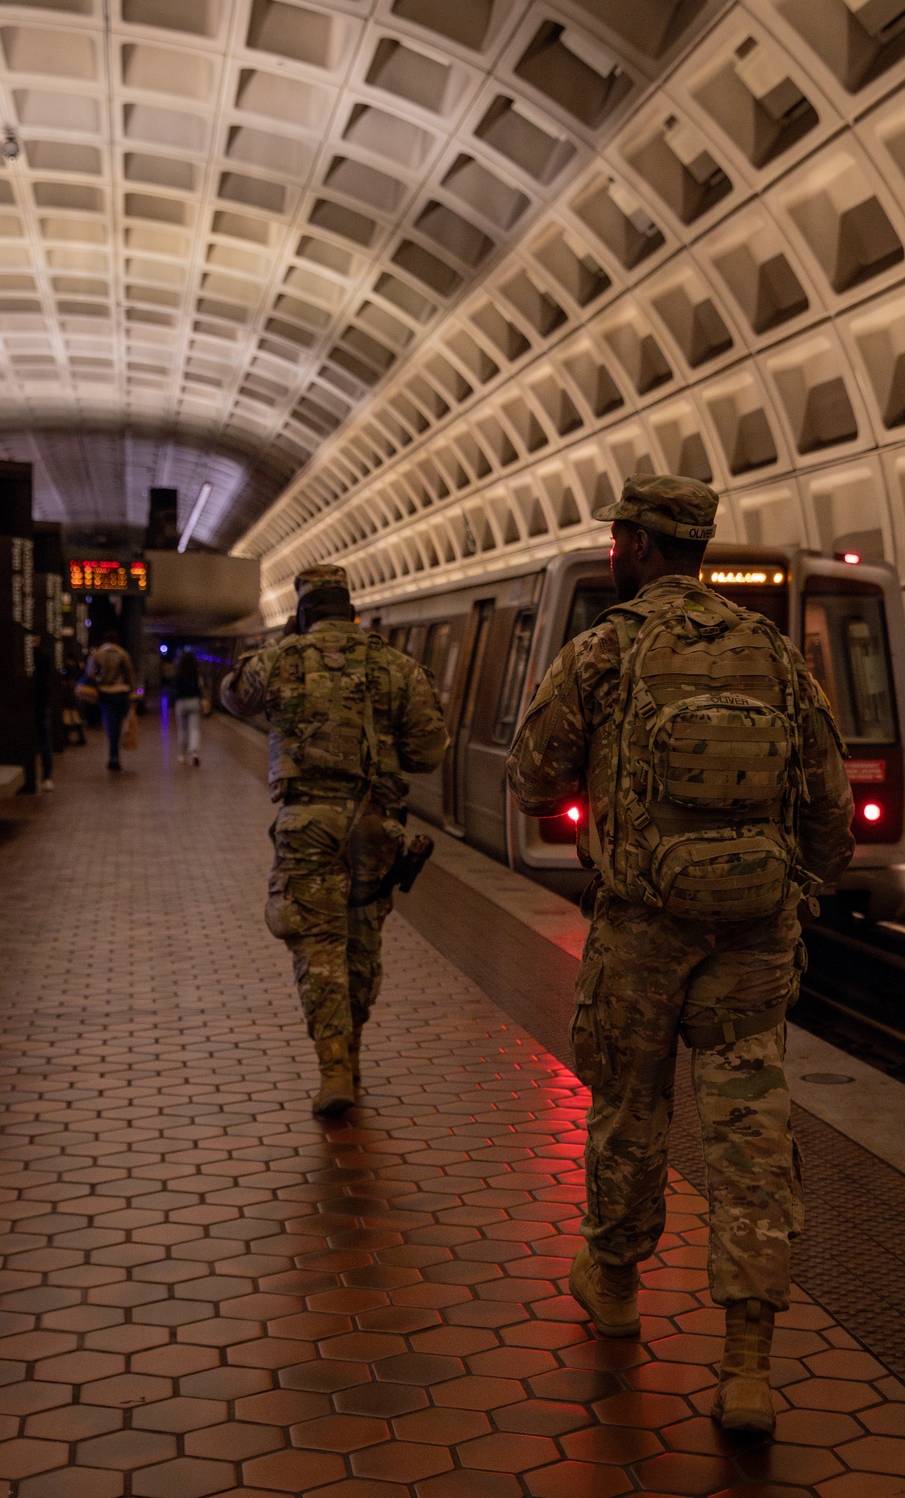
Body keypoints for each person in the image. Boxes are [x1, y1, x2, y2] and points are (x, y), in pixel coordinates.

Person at [506, 474, 855, 1435]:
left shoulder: (604, 649)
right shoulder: (775, 653)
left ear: (636, 545)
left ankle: (616, 1284)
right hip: (755, 931)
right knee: (750, 1128)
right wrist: (795, 887)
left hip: (642, 929)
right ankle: (747, 1366)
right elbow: (828, 808)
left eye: (618, 537)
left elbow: (530, 777)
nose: (614, 550)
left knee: (631, 1107)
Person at [221, 564, 447, 1116]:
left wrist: (284, 645)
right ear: (353, 610)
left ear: (301, 613)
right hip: (374, 828)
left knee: (318, 945)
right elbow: (428, 753)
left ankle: (334, 1070)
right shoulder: (397, 667)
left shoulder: (281, 659)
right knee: (362, 944)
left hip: (307, 827)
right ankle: (354, 1053)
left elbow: (231, 696)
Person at [82, 627, 136, 771]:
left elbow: (90, 674)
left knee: (111, 724)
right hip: (122, 693)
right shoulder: (123, 654)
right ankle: (116, 752)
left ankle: (113, 756)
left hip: (105, 693)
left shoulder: (98, 654)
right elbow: (130, 674)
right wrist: (132, 691)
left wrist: (99, 680)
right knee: (120, 723)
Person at [173, 648, 204, 766]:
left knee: (183, 730)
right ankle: (194, 752)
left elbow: (174, 690)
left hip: (181, 703)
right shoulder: (196, 673)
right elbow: (200, 688)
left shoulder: (178, 673)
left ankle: (182, 755)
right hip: (194, 702)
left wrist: (172, 703)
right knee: (194, 729)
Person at [32, 636, 55, 791]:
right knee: (45, 738)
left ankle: (46, 776)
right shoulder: (43, 657)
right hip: (41, 701)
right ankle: (46, 776)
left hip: (36, 701)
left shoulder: (37, 657)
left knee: (44, 738)